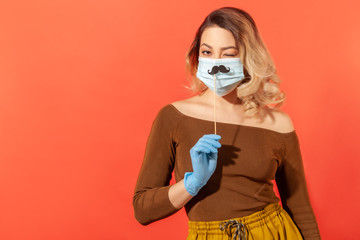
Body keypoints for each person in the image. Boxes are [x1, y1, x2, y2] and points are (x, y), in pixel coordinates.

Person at [133, 7, 321, 240]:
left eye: (228, 53)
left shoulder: (278, 124)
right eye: (207, 52)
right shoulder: (174, 117)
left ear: (247, 58)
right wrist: (193, 183)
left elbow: (300, 209)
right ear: (196, 56)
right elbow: (142, 209)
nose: (216, 63)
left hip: (274, 232)